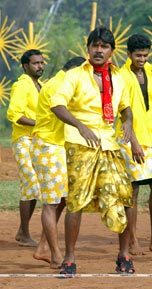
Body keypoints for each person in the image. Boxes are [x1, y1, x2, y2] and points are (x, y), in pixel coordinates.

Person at [49, 26, 138, 277]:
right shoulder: (74, 75)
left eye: (104, 46)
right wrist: (80, 125)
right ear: (88, 48)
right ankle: (69, 260)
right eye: (95, 45)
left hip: (110, 144)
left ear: (111, 51)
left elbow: (125, 108)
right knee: (76, 201)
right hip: (80, 144)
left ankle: (124, 256)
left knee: (123, 196)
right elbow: (57, 104)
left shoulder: (119, 78)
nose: (99, 50)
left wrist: (128, 123)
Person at [116, 34, 152, 255]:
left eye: (145, 55)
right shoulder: (120, 76)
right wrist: (133, 141)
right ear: (128, 54)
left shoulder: (150, 73)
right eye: (138, 55)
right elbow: (121, 113)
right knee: (132, 190)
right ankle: (131, 240)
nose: (142, 59)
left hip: (151, 139)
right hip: (128, 139)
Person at [31, 56, 86, 268]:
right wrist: (82, 126)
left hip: (58, 146)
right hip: (47, 146)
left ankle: (44, 247)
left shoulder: (62, 82)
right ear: (74, 71)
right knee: (51, 202)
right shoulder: (58, 85)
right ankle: (55, 254)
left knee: (63, 199)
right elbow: (62, 111)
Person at [7, 49, 44, 247]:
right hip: (23, 139)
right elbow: (14, 114)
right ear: (25, 66)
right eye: (36, 63)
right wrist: (39, 124)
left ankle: (23, 231)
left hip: (37, 140)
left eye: (41, 62)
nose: (40, 66)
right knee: (31, 183)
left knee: (34, 186)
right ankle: (24, 232)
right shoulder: (21, 85)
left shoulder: (41, 85)